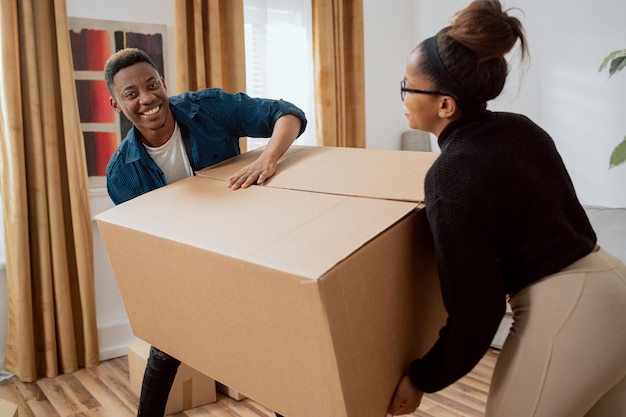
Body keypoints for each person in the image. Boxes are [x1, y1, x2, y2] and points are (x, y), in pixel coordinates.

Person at [386, 1, 626, 416]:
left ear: (445, 105)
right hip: (613, 282)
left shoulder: (449, 176)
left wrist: (423, 377)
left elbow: (478, 311)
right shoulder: (520, 127)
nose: (403, 96)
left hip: (571, 313)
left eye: (408, 86)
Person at [103, 47, 306, 417]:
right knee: (166, 348)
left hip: (247, 249)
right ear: (117, 105)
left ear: (163, 83)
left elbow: (288, 113)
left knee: (273, 349)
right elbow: (144, 244)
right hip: (184, 265)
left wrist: (268, 156)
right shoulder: (121, 174)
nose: (147, 98)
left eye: (151, 85)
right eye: (131, 94)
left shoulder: (208, 108)